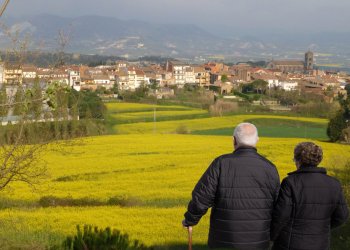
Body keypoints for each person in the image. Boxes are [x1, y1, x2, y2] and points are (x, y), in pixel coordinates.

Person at [182, 122, 280, 249]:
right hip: (258, 242)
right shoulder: (270, 168)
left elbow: (202, 198)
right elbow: (279, 206)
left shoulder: (221, 163)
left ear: (234, 140)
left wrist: (190, 219)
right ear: (257, 140)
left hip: (223, 242)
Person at [271, 142, 349, 250]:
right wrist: (322, 227)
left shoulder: (290, 182)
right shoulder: (334, 184)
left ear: (299, 160)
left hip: (291, 244)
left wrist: (272, 236)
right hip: (320, 244)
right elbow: (342, 216)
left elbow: (281, 216)